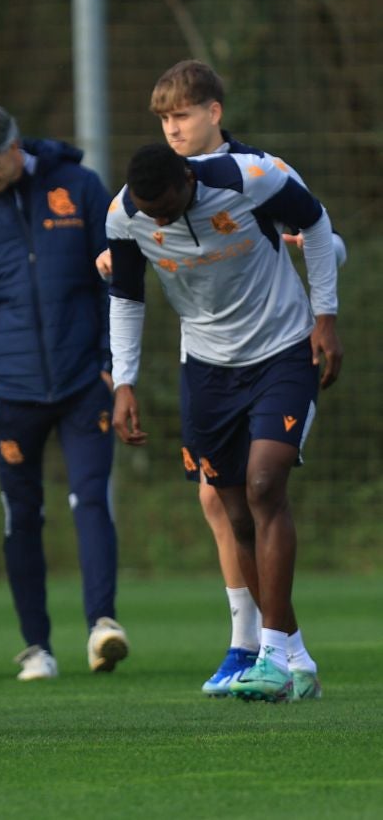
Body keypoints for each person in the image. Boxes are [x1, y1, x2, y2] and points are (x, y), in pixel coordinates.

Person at [97, 60, 338, 698]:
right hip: (206, 369)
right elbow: (127, 298)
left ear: (188, 183)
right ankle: (293, 658)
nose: (165, 221)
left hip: (283, 351)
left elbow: (315, 226)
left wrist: (325, 318)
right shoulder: (125, 215)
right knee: (234, 514)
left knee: (265, 486)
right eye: (154, 214)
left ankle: (274, 651)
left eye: (171, 207)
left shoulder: (251, 176)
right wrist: (124, 383)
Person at [0, 102, 127, 681]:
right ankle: (37, 647)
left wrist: (107, 365)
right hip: (11, 397)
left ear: (15, 148)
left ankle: (102, 625)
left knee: (90, 498)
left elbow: (115, 278)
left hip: (83, 386)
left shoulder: (79, 187)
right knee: (22, 517)